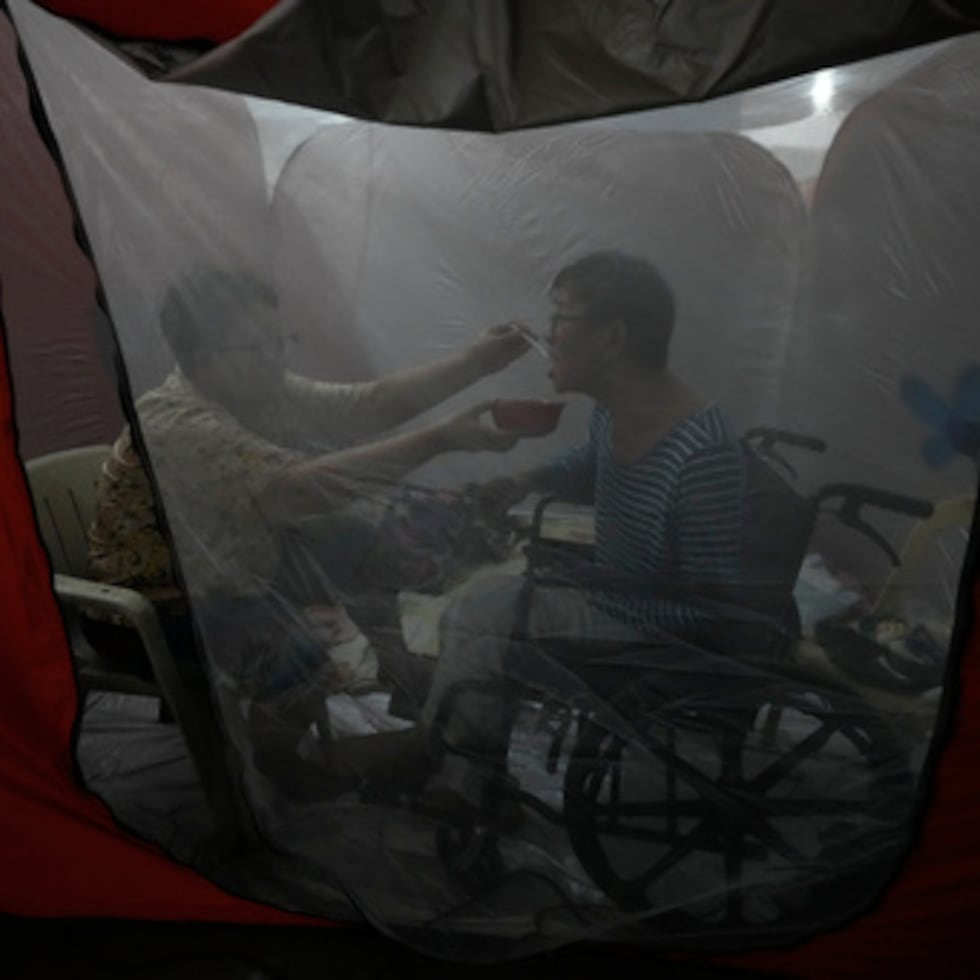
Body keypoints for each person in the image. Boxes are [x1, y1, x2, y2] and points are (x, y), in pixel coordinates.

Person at [86, 267, 533, 789]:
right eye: (260, 347)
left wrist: (476, 362)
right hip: (151, 608)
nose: (278, 359)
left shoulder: (257, 388)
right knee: (298, 651)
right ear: (204, 360)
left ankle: (406, 679)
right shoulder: (178, 423)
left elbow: (367, 405)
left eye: (282, 341)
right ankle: (288, 771)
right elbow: (300, 489)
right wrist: (440, 439)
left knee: (361, 536)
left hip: (232, 561)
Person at [418, 249, 750, 814]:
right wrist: (525, 478)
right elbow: (590, 462)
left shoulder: (702, 452)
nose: (547, 336)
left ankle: (454, 774)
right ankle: (466, 761)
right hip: (615, 595)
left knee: (483, 612)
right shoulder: (619, 411)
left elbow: (711, 609)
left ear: (612, 338)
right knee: (485, 599)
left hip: (650, 629)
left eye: (561, 318)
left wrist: (595, 590)